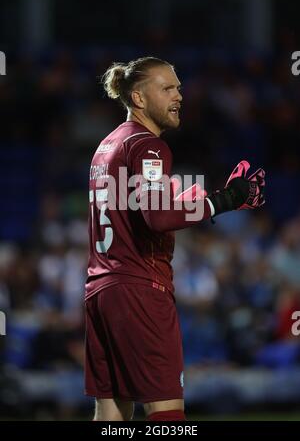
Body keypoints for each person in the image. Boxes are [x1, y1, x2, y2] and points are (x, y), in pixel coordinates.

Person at [84, 56, 265, 421]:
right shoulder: (148, 146)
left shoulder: (108, 145)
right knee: (166, 415)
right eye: (167, 88)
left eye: (179, 87)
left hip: (101, 291)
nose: (178, 95)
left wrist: (206, 197)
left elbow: (143, 207)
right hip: (140, 290)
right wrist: (224, 201)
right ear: (138, 97)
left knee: (112, 414)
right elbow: (159, 217)